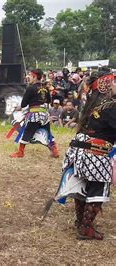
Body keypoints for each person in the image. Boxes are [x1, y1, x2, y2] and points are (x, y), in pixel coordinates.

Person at [60, 68, 115, 240]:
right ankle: (85, 228)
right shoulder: (111, 105)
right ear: (106, 83)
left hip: (79, 149)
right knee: (98, 187)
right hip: (96, 151)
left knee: (82, 184)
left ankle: (81, 221)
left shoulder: (92, 101)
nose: (114, 84)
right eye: (113, 81)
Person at [10, 69, 59, 158]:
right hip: (44, 115)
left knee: (27, 132)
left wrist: (17, 108)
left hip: (35, 115)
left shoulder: (30, 88)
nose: (29, 78)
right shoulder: (46, 88)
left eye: (30, 76)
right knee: (48, 133)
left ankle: (20, 152)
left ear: (35, 77)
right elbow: (48, 101)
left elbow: (23, 104)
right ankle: (55, 151)